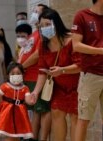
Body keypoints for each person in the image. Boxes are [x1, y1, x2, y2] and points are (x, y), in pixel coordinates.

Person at [71, 0, 103, 141]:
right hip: (91, 75)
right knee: (84, 119)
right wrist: (101, 51)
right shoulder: (82, 16)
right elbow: (76, 45)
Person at [32, 8, 81, 141]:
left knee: (76, 116)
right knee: (56, 113)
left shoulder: (71, 41)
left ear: (56, 23)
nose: (44, 28)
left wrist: (62, 70)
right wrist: (35, 93)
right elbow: (42, 70)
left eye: (47, 24)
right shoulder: (43, 46)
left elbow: (80, 65)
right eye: (41, 26)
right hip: (59, 87)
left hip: (78, 87)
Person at [21, 4, 51, 141]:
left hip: (36, 75)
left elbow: (38, 54)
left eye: (36, 12)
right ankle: (32, 136)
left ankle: (42, 138)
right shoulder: (34, 33)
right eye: (33, 11)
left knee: (42, 109)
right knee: (35, 110)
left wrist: (21, 66)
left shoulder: (44, 33)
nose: (33, 14)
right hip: (28, 76)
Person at [0, 62, 34, 140]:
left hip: (20, 114)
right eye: (12, 74)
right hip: (6, 113)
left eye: (18, 73)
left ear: (22, 75)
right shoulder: (5, 86)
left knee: (17, 134)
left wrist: (31, 100)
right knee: (9, 134)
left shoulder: (25, 88)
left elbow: (28, 99)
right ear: (8, 75)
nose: (15, 75)